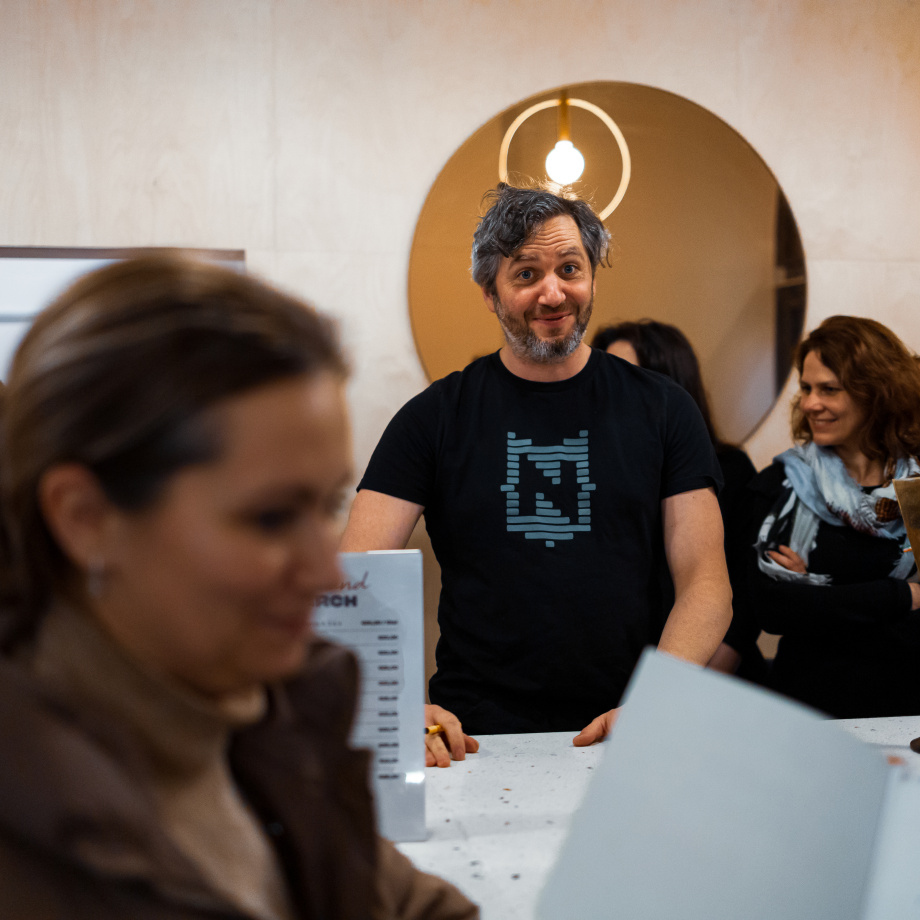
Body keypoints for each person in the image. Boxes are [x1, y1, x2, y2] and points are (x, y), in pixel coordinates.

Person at [0, 254, 477, 919]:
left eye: (325, 506)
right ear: (86, 518)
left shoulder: (268, 719)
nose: (327, 573)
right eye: (271, 517)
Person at [341, 183, 732, 763]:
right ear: (490, 293)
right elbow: (353, 580)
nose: (553, 293)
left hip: (628, 730)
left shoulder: (664, 409)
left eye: (570, 268)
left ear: (591, 276)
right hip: (473, 741)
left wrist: (656, 699)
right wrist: (390, 701)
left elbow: (705, 581)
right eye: (526, 274)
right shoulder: (434, 417)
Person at [724, 315, 920, 717]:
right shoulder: (781, 484)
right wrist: (905, 595)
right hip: (810, 711)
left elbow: (802, 607)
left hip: (907, 710)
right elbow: (774, 608)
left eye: (830, 389)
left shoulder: (915, 487)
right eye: (807, 388)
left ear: (877, 392)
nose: (811, 403)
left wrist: (816, 591)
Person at [591, 320, 762, 679]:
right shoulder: (595, 468)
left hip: (709, 675)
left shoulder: (731, 469)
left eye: (631, 378)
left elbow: (746, 591)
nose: (614, 392)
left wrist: (687, 684)